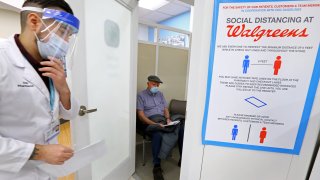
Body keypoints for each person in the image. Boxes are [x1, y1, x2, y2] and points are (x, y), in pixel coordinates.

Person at [0, 0, 80, 179]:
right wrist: (39, 152)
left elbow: (68, 114)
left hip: (47, 170)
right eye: (62, 32)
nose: (66, 41)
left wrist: (64, 88)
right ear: (34, 21)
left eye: (69, 36)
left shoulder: (50, 62)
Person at [137, 75, 184, 180]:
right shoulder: (141, 95)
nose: (156, 87)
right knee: (157, 134)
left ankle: (182, 157)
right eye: (154, 84)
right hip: (150, 121)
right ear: (148, 83)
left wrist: (168, 119)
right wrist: (153, 124)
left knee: (180, 128)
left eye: (158, 85)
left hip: (162, 120)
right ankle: (157, 166)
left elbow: (165, 109)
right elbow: (141, 115)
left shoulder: (160, 94)